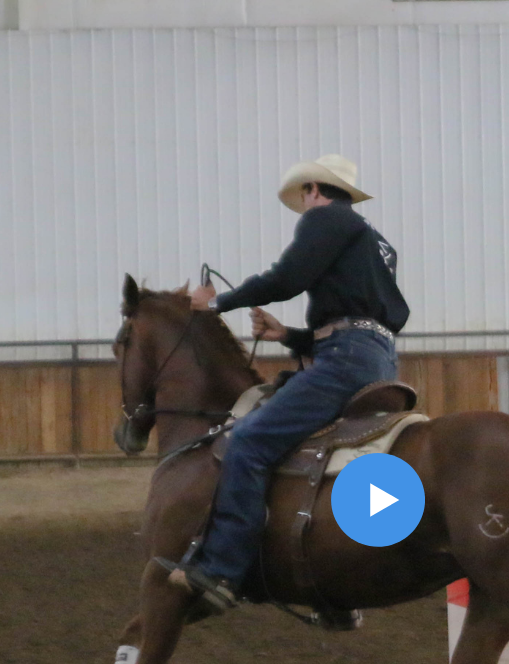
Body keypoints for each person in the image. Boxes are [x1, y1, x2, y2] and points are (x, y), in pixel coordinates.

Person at [167, 154, 409, 616]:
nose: (303, 205)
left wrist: (218, 303)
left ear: (314, 189)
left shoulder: (326, 219)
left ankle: (221, 570)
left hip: (345, 360)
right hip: (377, 360)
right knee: (323, 454)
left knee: (250, 443)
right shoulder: (377, 242)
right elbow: (360, 315)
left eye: (304, 195)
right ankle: (333, 584)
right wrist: (288, 337)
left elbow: (287, 278)